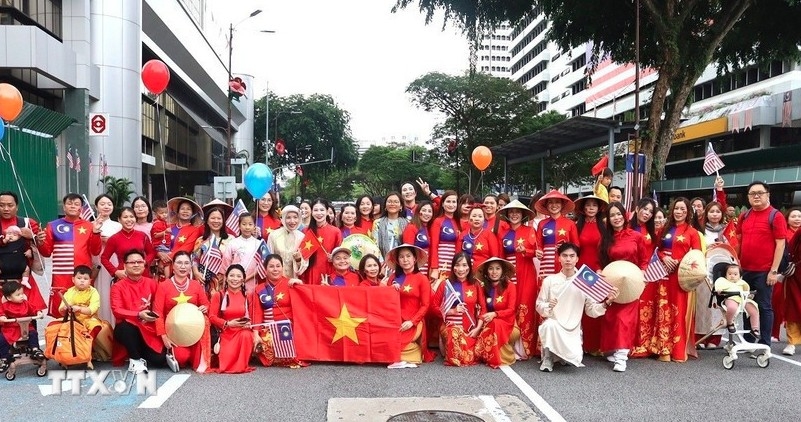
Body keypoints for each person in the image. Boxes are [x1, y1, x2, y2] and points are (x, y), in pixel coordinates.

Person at [536, 243, 618, 372]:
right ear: (559, 258)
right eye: (564, 256)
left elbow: (591, 310)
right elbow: (539, 305)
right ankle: (548, 357)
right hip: (555, 324)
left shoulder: (584, 280)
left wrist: (607, 302)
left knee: (573, 358)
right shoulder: (550, 280)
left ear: (577, 259)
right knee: (548, 325)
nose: (568, 259)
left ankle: (564, 355)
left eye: (572, 256)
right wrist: (548, 305)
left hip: (573, 329)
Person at [598, 202, 649, 372]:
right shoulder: (605, 240)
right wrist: (599, 272)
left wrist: (642, 274)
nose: (616, 218)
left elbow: (644, 259)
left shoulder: (636, 236)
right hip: (612, 282)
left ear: (624, 215)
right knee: (611, 318)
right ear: (608, 219)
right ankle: (613, 349)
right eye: (612, 215)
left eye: (618, 214)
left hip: (632, 282)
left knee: (624, 319)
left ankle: (621, 357)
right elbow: (600, 262)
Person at [735, 181, 787, 347]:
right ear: (748, 197)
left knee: (764, 306)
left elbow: (781, 244)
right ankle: (749, 341)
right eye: (752, 194)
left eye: (760, 193)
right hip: (745, 270)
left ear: (767, 195)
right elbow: (738, 241)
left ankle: (765, 344)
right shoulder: (745, 216)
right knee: (746, 304)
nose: (756, 196)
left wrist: (774, 271)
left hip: (765, 271)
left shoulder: (775, 216)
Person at [652, 198, 702, 362]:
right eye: (676, 209)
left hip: (681, 279)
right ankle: (663, 349)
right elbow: (655, 250)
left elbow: (697, 258)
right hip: (663, 276)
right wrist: (663, 259)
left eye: (682, 209)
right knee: (663, 311)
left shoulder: (692, 233)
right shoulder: (664, 229)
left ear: (688, 212)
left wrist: (680, 262)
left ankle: (678, 350)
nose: (679, 212)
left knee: (678, 312)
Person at [38, 193, 103, 317]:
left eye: (76, 204)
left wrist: (95, 232)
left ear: (81, 208)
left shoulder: (89, 226)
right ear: (64, 207)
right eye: (69, 203)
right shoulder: (53, 225)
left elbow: (95, 251)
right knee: (61, 312)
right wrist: (40, 242)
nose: (73, 206)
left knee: (84, 313)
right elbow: (46, 253)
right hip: (61, 276)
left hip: (82, 276)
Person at [153, 251, 211, 373]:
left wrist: (205, 307)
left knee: (197, 362)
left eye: (186, 263)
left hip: (195, 331)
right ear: (173, 266)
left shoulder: (196, 285)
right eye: (179, 263)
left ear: (191, 267)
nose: (183, 266)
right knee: (182, 358)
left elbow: (206, 303)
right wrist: (164, 336)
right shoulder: (163, 286)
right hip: (174, 332)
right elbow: (157, 313)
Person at [497, 200, 539, 359]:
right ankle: (507, 344)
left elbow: (536, 251)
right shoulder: (503, 233)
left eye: (518, 212)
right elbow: (500, 257)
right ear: (507, 215)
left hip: (526, 274)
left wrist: (525, 251)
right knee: (509, 307)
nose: (514, 214)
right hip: (508, 277)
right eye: (511, 212)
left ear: (523, 215)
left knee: (524, 307)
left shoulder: (529, 231)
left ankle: (524, 349)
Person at [110, 249, 164, 374]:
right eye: (132, 262)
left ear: (144, 264)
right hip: (128, 329)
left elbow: (160, 307)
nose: (136, 265)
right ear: (125, 265)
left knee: (159, 361)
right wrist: (138, 314)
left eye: (139, 262)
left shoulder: (152, 283)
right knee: (125, 327)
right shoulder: (117, 286)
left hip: (149, 328)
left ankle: (139, 354)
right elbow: (116, 310)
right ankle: (135, 360)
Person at [250, 255, 306, 368]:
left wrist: (301, 284)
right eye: (271, 266)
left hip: (289, 327)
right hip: (268, 328)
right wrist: (255, 334)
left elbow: (305, 301)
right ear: (265, 270)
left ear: (282, 267)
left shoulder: (291, 283)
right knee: (267, 357)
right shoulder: (259, 289)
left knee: (291, 355)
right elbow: (257, 313)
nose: (275, 269)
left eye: (278, 266)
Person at [101, 207, 156, 321]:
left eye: (131, 216)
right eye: (125, 217)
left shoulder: (142, 235)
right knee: (126, 307)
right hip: (124, 276)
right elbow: (104, 258)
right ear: (119, 220)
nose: (129, 219)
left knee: (146, 303)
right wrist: (115, 271)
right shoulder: (114, 238)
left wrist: (144, 263)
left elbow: (151, 252)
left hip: (142, 274)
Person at [0, 191, 47, 313]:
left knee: (28, 320)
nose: (6, 209)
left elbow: (44, 250)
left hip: (23, 282)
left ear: (17, 206)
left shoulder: (28, 223)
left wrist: (35, 238)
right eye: (1, 205)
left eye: (10, 205)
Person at [434, 252, 484, 366]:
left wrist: (477, 329)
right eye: (457, 265)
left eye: (464, 265)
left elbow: (483, 309)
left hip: (470, 329)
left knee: (476, 352)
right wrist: (452, 311)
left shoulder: (476, 284)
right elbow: (433, 307)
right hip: (449, 327)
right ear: (453, 267)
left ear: (470, 267)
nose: (461, 269)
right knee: (455, 335)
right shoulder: (445, 284)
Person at [386, 244, 431, 368]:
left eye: (408, 256)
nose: (405, 260)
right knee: (386, 340)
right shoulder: (393, 278)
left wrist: (412, 322)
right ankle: (407, 357)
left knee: (399, 342)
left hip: (413, 320)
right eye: (401, 257)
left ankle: (404, 357)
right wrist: (389, 289)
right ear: (397, 260)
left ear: (415, 259)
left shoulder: (422, 279)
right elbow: (386, 300)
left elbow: (426, 305)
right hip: (394, 319)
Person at [573, 195, 608, 355]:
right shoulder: (576, 226)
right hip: (580, 270)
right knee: (579, 306)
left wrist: (602, 268)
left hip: (598, 270)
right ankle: (580, 343)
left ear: (599, 208)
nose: (591, 208)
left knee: (595, 307)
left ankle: (595, 345)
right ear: (583, 208)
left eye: (594, 205)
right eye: (588, 205)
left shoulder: (604, 227)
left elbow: (607, 250)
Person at [58, 265, 113, 364]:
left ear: (90, 281)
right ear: (73, 279)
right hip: (72, 319)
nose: (82, 281)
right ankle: (67, 353)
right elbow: (61, 310)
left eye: (85, 279)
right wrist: (65, 309)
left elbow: (92, 309)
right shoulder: (70, 292)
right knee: (55, 325)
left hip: (89, 318)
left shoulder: (93, 292)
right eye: (79, 278)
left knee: (95, 326)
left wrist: (79, 308)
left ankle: (88, 352)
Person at [209, 264, 255, 373]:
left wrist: (249, 323)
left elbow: (253, 317)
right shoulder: (218, 295)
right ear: (226, 277)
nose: (235, 279)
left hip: (242, 332)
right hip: (225, 333)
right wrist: (228, 324)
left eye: (238, 276)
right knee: (226, 362)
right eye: (232, 275)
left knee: (247, 335)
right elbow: (212, 317)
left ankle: (241, 366)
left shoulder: (247, 296)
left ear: (243, 279)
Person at [474, 258, 519, 368]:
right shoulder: (483, 288)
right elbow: (483, 310)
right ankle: (492, 355)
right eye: (491, 268)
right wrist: (478, 327)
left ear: (503, 271)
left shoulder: (510, 286)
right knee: (494, 324)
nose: (494, 272)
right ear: (486, 271)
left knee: (496, 323)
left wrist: (495, 314)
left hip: (510, 325)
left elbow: (511, 310)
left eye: (498, 268)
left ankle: (500, 358)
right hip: (489, 324)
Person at [0, 280, 45, 371]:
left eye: (22, 294)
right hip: (12, 328)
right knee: (2, 339)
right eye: (18, 295)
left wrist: (38, 312)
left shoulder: (26, 304)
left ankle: (35, 349)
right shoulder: (6, 306)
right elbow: (2, 313)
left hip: (26, 327)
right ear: (9, 297)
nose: (21, 296)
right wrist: (3, 317)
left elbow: (34, 309)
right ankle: (4, 358)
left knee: (33, 333)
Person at [535, 190, 579, 280]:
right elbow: (538, 245)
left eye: (557, 202)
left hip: (565, 264)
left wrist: (566, 247)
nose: (554, 205)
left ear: (562, 205)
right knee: (546, 290)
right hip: (546, 264)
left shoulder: (570, 224)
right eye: (550, 202)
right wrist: (538, 252)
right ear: (546, 205)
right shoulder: (541, 224)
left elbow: (576, 246)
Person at [298, 199, 343, 285]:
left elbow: (340, 253)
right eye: (315, 210)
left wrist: (334, 257)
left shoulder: (335, 231)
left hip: (328, 271)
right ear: (311, 212)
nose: (319, 213)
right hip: (309, 272)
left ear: (327, 212)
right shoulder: (305, 231)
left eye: (322, 210)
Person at [773, 207, 801, 341]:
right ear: (787, 219)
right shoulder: (784, 234)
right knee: (781, 304)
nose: (797, 219)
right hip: (788, 273)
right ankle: (775, 334)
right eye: (793, 216)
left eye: (799, 216)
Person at [223, 212, 267, 294]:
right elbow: (226, 264)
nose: (247, 227)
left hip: (252, 281)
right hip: (234, 282)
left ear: (254, 226)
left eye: (250, 224)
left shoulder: (258, 244)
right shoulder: (232, 243)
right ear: (239, 226)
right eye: (244, 224)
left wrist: (246, 278)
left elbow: (261, 265)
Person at [714, 264, 761, 339]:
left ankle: (755, 328)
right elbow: (718, 288)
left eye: (735, 274)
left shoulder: (742, 282)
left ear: (740, 276)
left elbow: (747, 291)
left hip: (742, 299)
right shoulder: (722, 281)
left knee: (754, 309)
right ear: (725, 275)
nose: (732, 276)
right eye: (729, 274)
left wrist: (749, 294)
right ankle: (730, 323)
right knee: (732, 308)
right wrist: (719, 290)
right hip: (730, 297)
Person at [192, 207, 231, 295]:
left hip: (226, 281)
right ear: (207, 221)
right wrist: (196, 272)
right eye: (213, 218)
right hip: (205, 281)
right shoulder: (200, 240)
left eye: (219, 218)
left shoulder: (231, 240)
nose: (216, 221)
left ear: (223, 221)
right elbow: (195, 260)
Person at [266, 205, 307, 279]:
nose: (292, 221)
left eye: (295, 217)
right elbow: (268, 259)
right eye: (288, 217)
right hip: (276, 279)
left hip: (294, 281)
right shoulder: (273, 235)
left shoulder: (302, 237)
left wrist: (298, 260)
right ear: (283, 218)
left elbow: (304, 266)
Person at [428, 191, 461, 284]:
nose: (451, 205)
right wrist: (434, 268)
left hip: (455, 265)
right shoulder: (438, 221)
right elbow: (434, 246)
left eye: (454, 202)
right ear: (442, 204)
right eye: (448, 201)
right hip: (441, 264)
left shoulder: (459, 222)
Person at [458, 204, 499, 270]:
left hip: (483, 272)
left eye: (480, 216)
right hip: (465, 272)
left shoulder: (489, 235)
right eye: (474, 216)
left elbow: (495, 258)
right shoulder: (463, 235)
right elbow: (457, 257)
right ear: (469, 218)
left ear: (484, 219)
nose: (477, 219)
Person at [784, 211, 801, 355]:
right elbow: (789, 251)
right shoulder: (799, 232)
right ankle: (791, 343)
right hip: (797, 275)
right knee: (794, 308)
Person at [373, 193, 408, 260]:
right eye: (389, 201)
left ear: (401, 206)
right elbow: (375, 246)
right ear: (385, 206)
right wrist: (382, 262)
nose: (392, 204)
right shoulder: (377, 223)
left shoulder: (407, 223)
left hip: (402, 261)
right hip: (383, 261)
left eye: (396, 202)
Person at [402, 201, 433, 276]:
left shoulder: (428, 228)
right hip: (415, 268)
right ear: (418, 212)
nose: (426, 213)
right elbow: (407, 250)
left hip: (426, 267)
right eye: (424, 210)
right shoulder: (411, 227)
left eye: (430, 211)